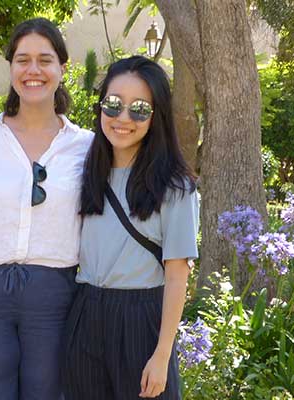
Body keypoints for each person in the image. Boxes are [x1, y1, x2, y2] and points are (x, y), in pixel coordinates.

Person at [0, 17, 94, 400]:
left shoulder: (87, 147)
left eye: (45, 60)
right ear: (11, 67)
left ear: (63, 69)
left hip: (55, 296)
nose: (33, 70)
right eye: (23, 60)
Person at [62, 55, 199, 400]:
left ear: (157, 117)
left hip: (141, 317)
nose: (123, 118)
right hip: (87, 311)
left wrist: (162, 354)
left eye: (139, 109)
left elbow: (177, 274)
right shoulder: (86, 174)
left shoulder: (175, 186)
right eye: (113, 105)